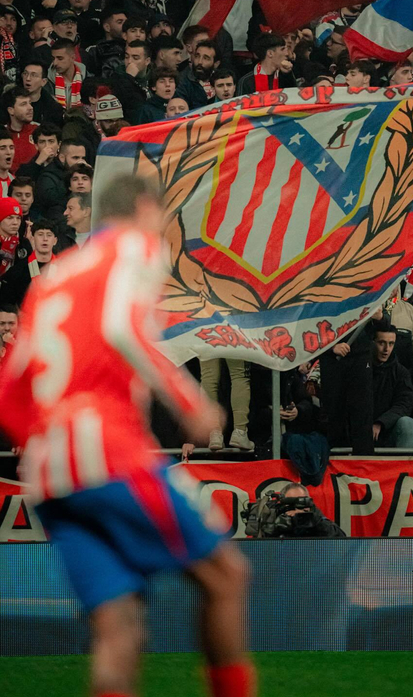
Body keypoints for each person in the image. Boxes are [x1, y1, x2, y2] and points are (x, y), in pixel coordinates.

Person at [0, 174, 255, 697]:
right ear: (143, 208)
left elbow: (11, 386)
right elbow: (121, 325)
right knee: (227, 575)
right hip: (105, 449)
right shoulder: (131, 245)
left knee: (118, 629)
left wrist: (48, 441)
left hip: (49, 471)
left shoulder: (56, 275)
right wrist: (191, 404)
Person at [370, 323, 413, 448]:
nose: (386, 349)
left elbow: (404, 404)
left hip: (387, 431)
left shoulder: (401, 372)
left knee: (407, 423)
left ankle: (403, 467)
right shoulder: (360, 368)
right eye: (382, 343)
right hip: (360, 430)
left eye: (391, 344)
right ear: (372, 342)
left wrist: (381, 423)